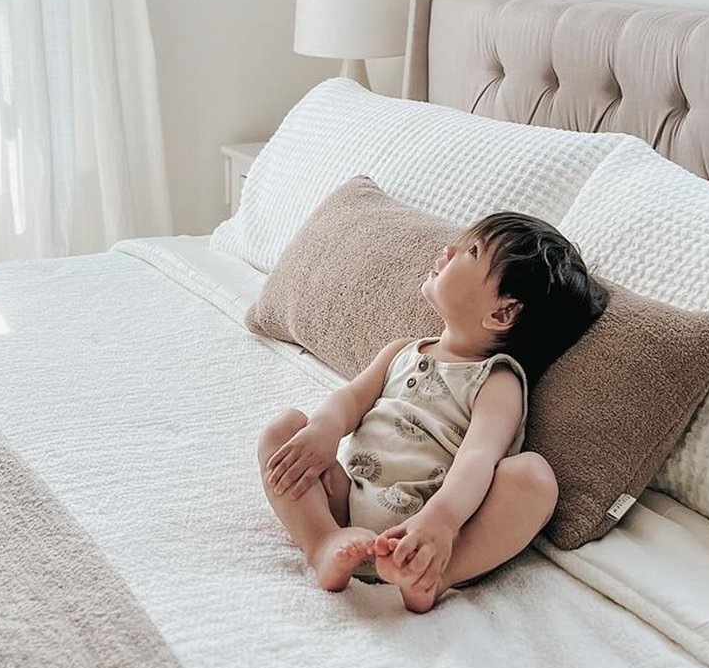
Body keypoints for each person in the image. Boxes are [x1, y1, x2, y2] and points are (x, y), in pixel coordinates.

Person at [257, 211, 607, 613]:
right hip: (348, 500)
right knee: (283, 429)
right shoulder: (402, 351)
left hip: (432, 530)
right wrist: (324, 430)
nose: (449, 249)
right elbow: (351, 399)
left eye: (471, 251)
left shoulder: (496, 381)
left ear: (502, 314)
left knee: (534, 478)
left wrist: (441, 520)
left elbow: (479, 457)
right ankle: (322, 541)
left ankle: (436, 575)